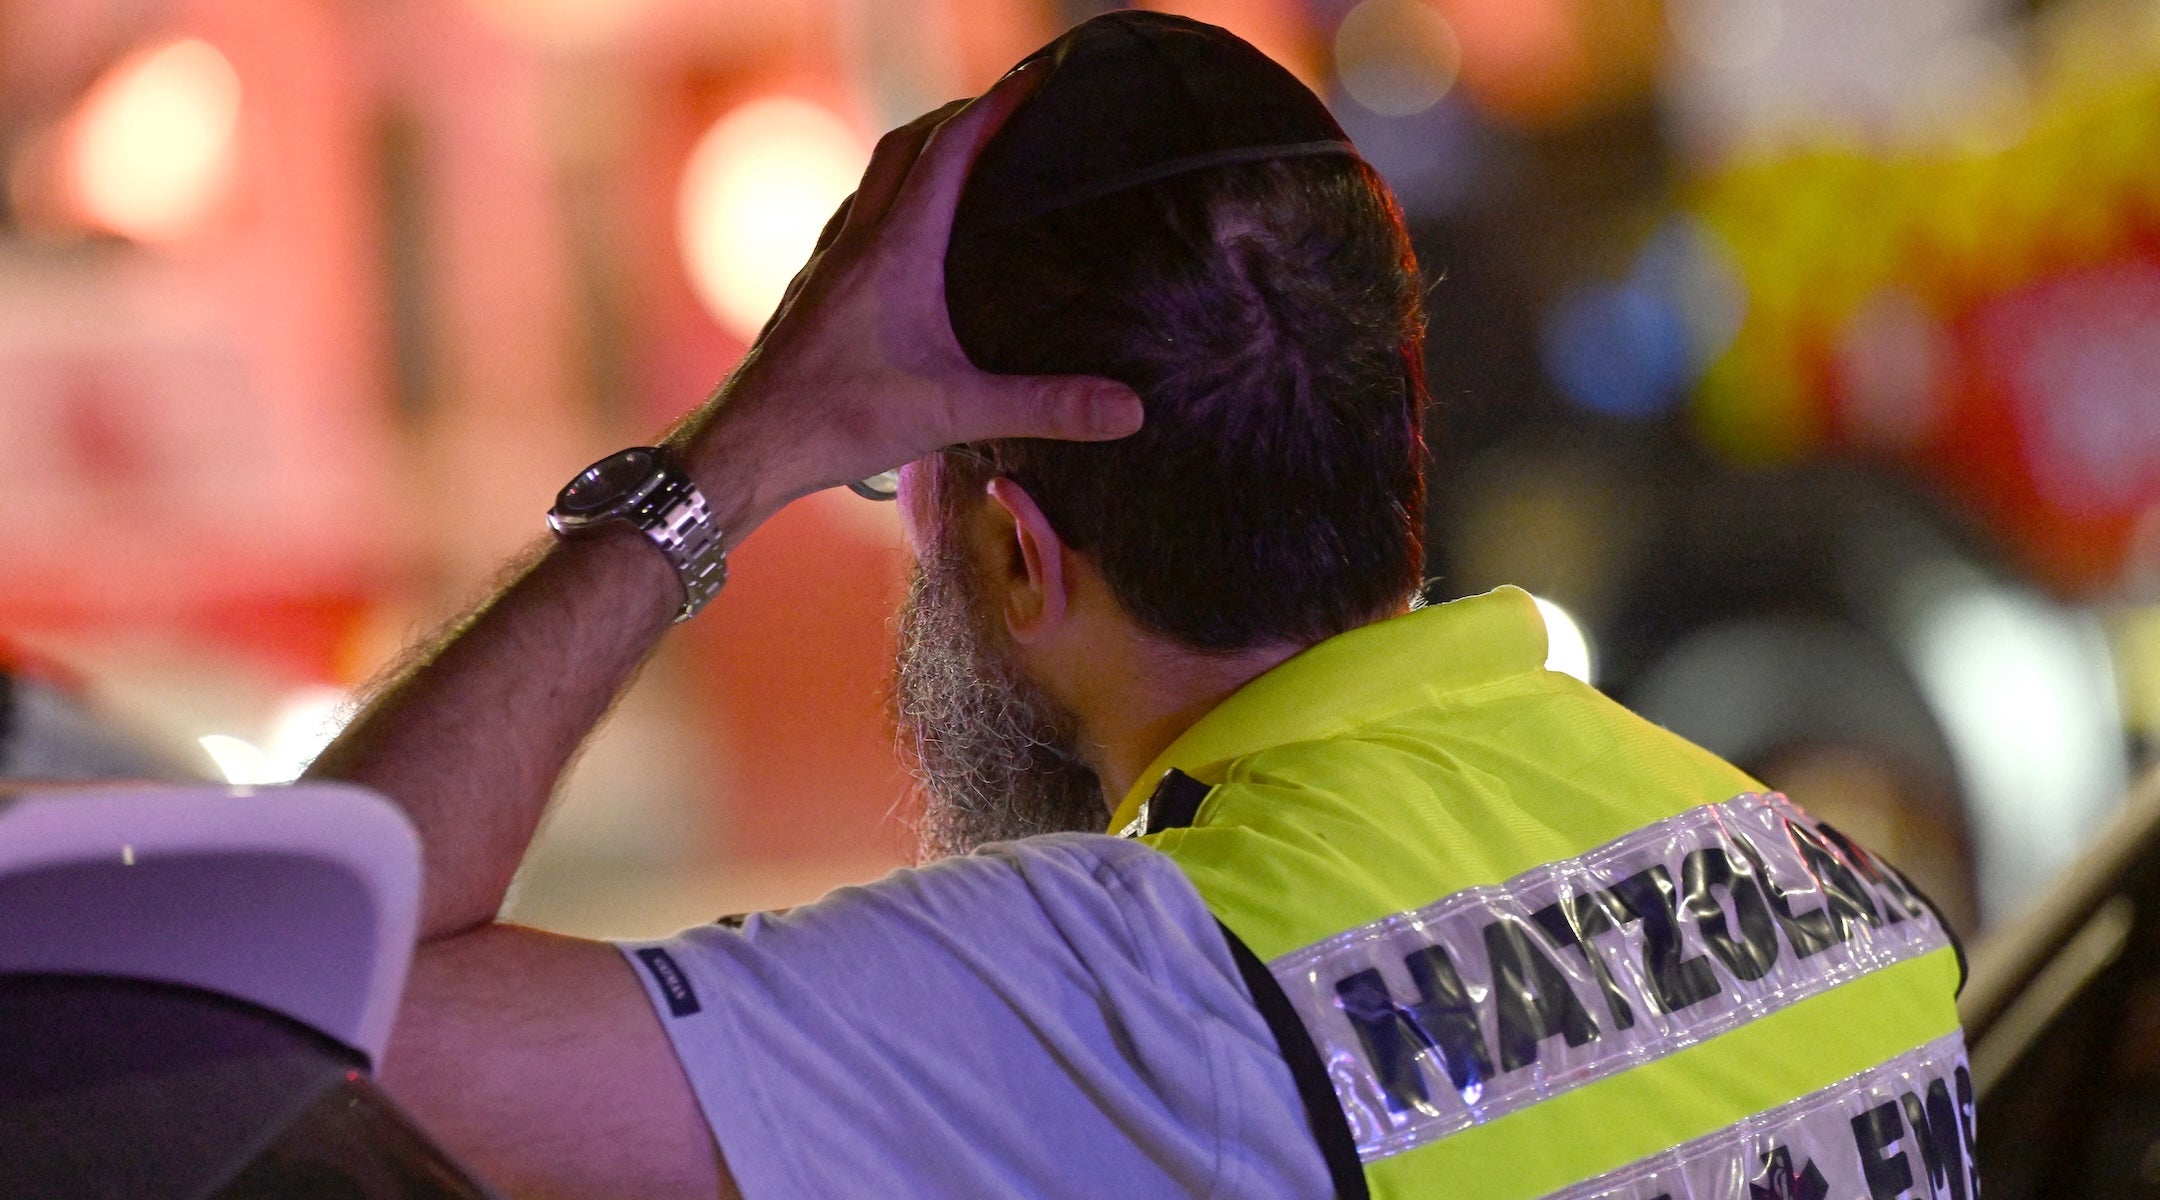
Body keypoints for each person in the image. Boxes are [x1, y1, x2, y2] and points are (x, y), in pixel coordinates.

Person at [306, 13, 1973, 1200]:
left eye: (911, 498)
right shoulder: (1837, 892)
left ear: (1020, 555)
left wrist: (734, 455)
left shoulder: (1124, 992)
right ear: (1382, 441)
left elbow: (295, 1014)